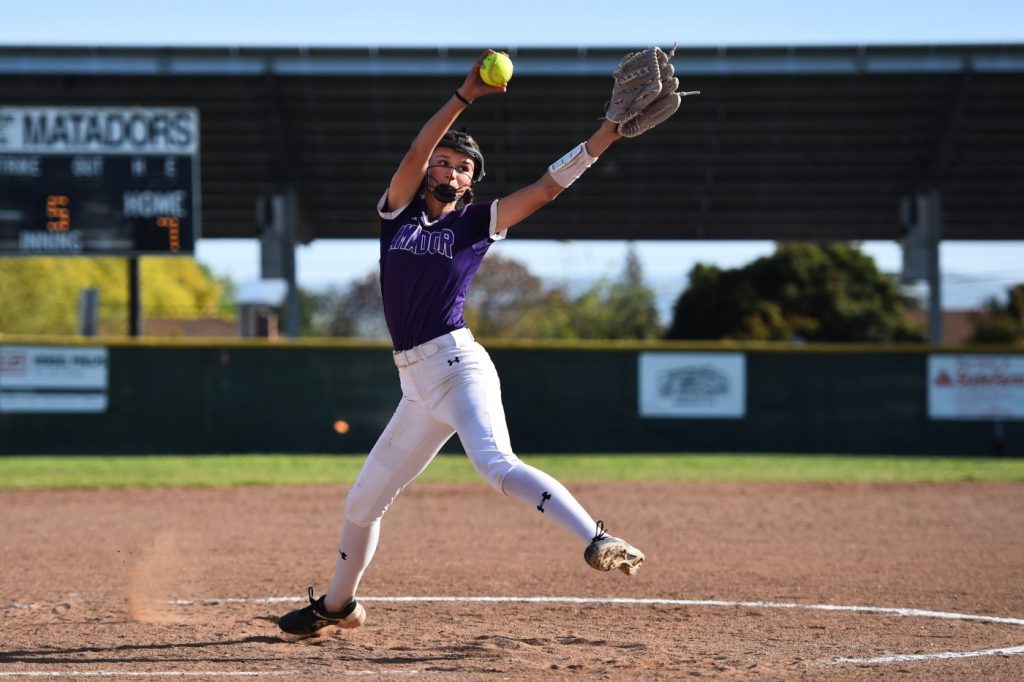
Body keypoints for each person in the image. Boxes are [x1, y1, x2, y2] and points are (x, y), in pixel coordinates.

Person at [279, 47, 685, 640]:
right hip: (415, 388)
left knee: (495, 465)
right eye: (442, 164)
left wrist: (605, 135)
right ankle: (337, 607)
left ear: (472, 183)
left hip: (458, 366)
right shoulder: (398, 216)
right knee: (362, 503)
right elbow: (416, 152)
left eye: (461, 168)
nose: (448, 170)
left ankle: (596, 538)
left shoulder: (476, 224)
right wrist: (465, 94)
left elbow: (546, 188)